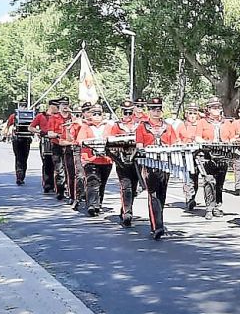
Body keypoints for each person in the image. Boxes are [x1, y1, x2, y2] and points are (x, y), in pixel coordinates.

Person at [135, 97, 179, 240]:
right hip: (150, 163)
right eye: (153, 109)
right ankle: (157, 226)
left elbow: (175, 143)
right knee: (153, 194)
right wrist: (143, 151)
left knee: (162, 194)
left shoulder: (168, 126)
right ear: (149, 111)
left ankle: (159, 220)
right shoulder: (142, 126)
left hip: (165, 163)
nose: (156, 112)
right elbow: (139, 145)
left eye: (158, 109)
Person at [107, 99, 141, 227]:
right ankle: (127, 212)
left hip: (136, 159)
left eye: (129, 112)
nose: (127, 115)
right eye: (125, 112)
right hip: (122, 159)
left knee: (133, 187)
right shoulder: (117, 126)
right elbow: (111, 143)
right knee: (125, 186)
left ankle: (125, 208)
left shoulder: (139, 124)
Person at [76, 104, 113, 216]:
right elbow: (79, 141)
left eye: (99, 114)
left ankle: (98, 203)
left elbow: (114, 139)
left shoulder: (108, 127)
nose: (97, 116)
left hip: (105, 160)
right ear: (90, 116)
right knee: (93, 182)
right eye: (94, 114)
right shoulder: (86, 127)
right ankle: (92, 205)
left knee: (102, 183)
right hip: (90, 159)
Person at [200, 96, 233, 220]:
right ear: (208, 109)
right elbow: (197, 137)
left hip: (222, 155)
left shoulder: (226, 123)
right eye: (213, 107)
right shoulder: (202, 122)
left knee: (219, 183)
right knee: (209, 181)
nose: (216, 109)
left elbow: (232, 137)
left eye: (218, 107)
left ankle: (217, 206)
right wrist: (204, 142)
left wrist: (231, 142)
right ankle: (209, 207)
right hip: (207, 155)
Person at [176, 103, 208, 211]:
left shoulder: (201, 124)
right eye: (190, 113)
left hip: (199, 153)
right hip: (186, 154)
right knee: (188, 177)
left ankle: (194, 196)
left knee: (197, 177)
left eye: (195, 113)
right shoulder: (182, 125)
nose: (193, 115)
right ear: (186, 114)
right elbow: (176, 139)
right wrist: (181, 144)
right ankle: (189, 198)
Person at [29, 100, 59, 193]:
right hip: (45, 140)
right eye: (56, 106)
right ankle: (47, 184)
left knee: (58, 164)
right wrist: (39, 131)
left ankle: (57, 185)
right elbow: (30, 127)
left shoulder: (59, 116)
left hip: (57, 140)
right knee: (47, 163)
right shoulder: (41, 116)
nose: (58, 108)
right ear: (50, 106)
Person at [5, 100, 33, 185]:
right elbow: (8, 125)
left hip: (24, 138)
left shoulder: (29, 115)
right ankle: (20, 177)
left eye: (24, 105)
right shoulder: (15, 116)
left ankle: (21, 176)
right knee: (21, 158)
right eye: (22, 105)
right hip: (19, 138)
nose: (23, 107)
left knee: (22, 159)